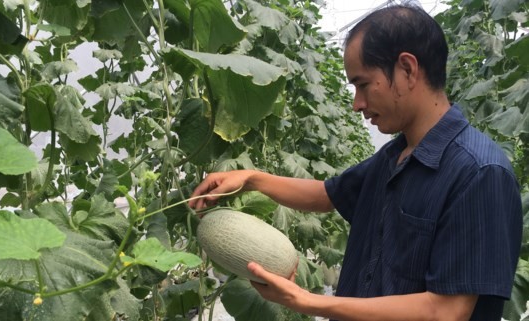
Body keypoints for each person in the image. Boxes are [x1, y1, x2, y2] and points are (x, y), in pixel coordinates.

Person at [188, 4, 522, 321]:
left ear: (407, 69)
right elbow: (326, 195)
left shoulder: (479, 172)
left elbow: (448, 311)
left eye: (362, 84)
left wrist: (305, 301)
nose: (356, 104)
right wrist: (250, 178)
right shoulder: (396, 155)